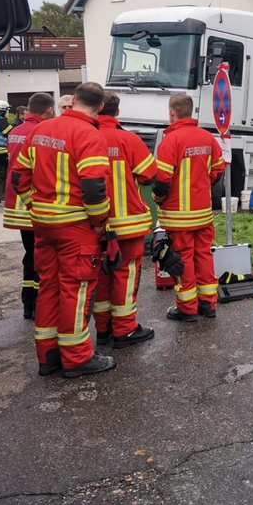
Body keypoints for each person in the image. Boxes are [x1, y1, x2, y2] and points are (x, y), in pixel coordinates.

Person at [12, 82, 115, 378]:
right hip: (75, 227)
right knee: (76, 289)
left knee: (49, 287)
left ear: (73, 100)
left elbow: (19, 177)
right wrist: (99, 223)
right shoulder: (89, 134)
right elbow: (93, 188)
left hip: (44, 226)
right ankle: (77, 358)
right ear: (100, 107)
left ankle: (48, 356)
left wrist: (35, 206)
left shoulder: (41, 129)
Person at [93, 93, 157, 348]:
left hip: (93, 224)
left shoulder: (85, 137)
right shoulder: (128, 139)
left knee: (101, 276)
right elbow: (149, 175)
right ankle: (125, 329)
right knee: (125, 275)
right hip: (127, 223)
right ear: (117, 112)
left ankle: (103, 330)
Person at [153, 93, 224, 322]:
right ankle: (208, 304)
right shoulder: (208, 138)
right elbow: (218, 171)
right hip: (203, 213)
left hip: (178, 216)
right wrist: (201, 187)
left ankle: (187, 308)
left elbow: (162, 180)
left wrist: (157, 199)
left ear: (172, 112)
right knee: (204, 255)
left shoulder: (170, 141)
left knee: (183, 258)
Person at [4, 92, 56, 320]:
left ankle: (28, 303)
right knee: (41, 256)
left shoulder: (15, 131)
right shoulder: (41, 132)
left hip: (15, 203)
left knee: (30, 254)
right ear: (49, 110)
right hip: (34, 201)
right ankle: (38, 304)